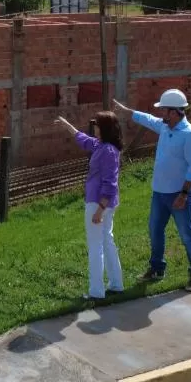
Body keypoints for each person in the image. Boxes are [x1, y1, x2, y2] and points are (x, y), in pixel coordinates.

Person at [112, 89, 191, 292]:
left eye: (164, 110)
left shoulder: (190, 135)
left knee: (186, 234)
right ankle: (156, 269)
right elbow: (147, 119)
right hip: (159, 193)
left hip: (179, 195)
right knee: (155, 231)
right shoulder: (164, 127)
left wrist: (184, 195)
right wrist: (126, 111)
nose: (161, 113)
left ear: (174, 112)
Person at [55, 112, 124, 300]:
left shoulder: (108, 151)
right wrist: (67, 125)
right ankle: (116, 284)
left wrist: (100, 210)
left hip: (98, 203)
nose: (95, 127)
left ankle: (96, 291)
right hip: (104, 203)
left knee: (96, 246)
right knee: (107, 241)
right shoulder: (101, 146)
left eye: (97, 125)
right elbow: (84, 140)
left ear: (105, 128)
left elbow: (110, 182)